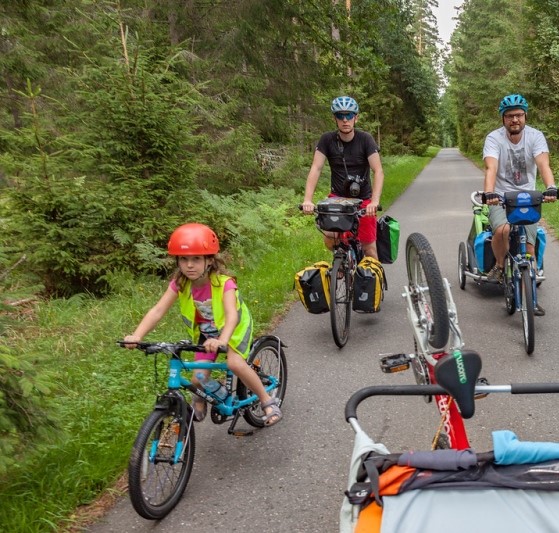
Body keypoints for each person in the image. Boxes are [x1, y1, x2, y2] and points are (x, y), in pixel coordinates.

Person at [123, 223, 282, 426]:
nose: (189, 265)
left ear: (209, 261)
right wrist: (137, 335)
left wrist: (223, 340)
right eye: (184, 259)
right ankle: (201, 396)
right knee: (198, 377)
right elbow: (158, 310)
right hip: (207, 333)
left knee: (234, 363)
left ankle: (268, 401)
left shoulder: (224, 283)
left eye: (196, 259)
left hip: (234, 330)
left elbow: (232, 315)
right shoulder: (180, 284)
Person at [482, 93, 559, 316]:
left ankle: (530, 299)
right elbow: (491, 168)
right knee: (502, 230)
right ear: (503, 119)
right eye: (509, 116)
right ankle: (498, 265)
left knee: (529, 249)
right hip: (501, 197)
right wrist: (489, 193)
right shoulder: (494, 139)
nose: (515, 120)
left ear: (525, 116)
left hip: (528, 198)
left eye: (518, 115)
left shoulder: (535, 136)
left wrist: (551, 187)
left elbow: (543, 165)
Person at [301, 96, 385, 260]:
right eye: (340, 116)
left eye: (349, 115)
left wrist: (374, 201)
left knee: (369, 249)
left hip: (363, 200)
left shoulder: (365, 139)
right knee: (330, 238)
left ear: (356, 117)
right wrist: (307, 200)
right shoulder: (327, 139)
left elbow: (378, 171)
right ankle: (342, 262)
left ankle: (374, 283)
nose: (345, 120)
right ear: (335, 118)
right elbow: (316, 168)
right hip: (338, 198)